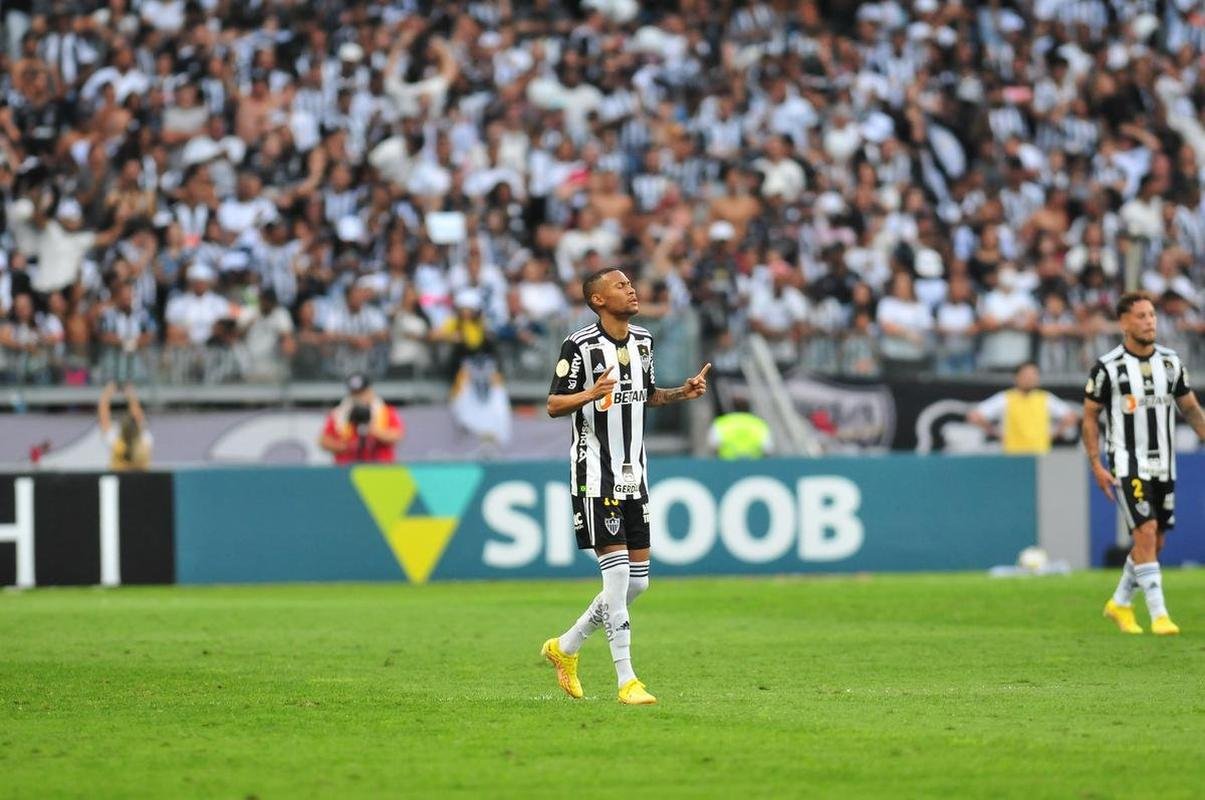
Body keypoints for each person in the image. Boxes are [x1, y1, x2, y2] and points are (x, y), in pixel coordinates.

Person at [541, 267, 711, 706]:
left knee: (637, 585)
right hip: (595, 475)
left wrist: (682, 392)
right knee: (616, 577)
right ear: (597, 300)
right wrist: (589, 393)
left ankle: (567, 646)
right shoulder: (578, 346)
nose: (631, 289)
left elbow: (647, 392)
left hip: (636, 474)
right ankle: (627, 680)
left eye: (630, 283)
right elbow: (554, 403)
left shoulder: (643, 341)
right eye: (620, 286)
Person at [1085, 292, 1205, 636]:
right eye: (1141, 316)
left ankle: (1120, 603)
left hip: (1164, 464)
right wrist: (1096, 464)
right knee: (1146, 532)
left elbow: (1191, 409)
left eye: (1152, 315)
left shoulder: (1170, 363)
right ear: (1124, 322)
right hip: (1126, 462)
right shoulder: (1108, 367)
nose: (1149, 321)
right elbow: (1089, 418)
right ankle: (1160, 615)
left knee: (1155, 542)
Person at [967, 362, 1079, 455]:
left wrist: (1054, 434)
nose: (1030, 378)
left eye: (1033, 375)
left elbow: (1071, 416)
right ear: (1017, 377)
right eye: (1026, 375)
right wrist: (995, 433)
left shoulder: (1045, 398)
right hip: (1013, 454)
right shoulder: (1005, 398)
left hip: (1040, 454)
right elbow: (974, 416)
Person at [319, 373, 404, 465]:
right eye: (355, 393)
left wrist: (373, 430)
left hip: (380, 468)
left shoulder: (385, 411)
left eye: (362, 393)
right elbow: (324, 441)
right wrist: (346, 447)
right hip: (347, 468)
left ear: (370, 391)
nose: (359, 397)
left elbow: (397, 436)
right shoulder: (338, 414)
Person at [97, 382, 152, 471]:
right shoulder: (145, 440)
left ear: (122, 429)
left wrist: (107, 394)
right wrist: (131, 395)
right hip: (142, 482)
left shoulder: (115, 442)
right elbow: (139, 417)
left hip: (120, 480)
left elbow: (103, 418)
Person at [709, 402, 773, 459]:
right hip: (753, 465)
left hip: (727, 464)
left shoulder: (722, 422)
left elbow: (713, 445)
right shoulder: (759, 423)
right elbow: (767, 448)